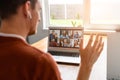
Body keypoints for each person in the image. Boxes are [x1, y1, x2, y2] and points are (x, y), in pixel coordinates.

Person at [0, 0, 104, 80]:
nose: (39, 18)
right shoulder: (40, 62)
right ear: (27, 8)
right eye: (39, 10)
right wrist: (86, 67)